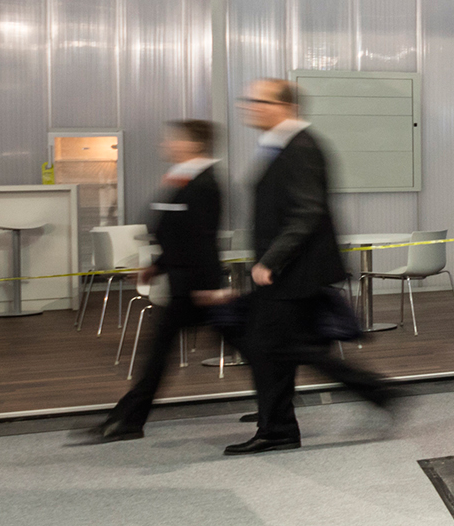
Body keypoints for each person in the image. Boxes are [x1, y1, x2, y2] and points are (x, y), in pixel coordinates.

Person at [230, 78, 392, 452]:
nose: (250, 107)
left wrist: (271, 260)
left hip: (293, 272)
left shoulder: (300, 147)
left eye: (259, 101)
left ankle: (283, 425)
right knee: (282, 348)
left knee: (276, 347)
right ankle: (281, 423)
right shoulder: (281, 146)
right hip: (291, 271)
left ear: (286, 107)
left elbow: (307, 211)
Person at [86, 119, 227, 442]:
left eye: (175, 139)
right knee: (159, 355)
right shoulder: (185, 177)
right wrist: (157, 266)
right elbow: (175, 231)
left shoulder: (205, 183)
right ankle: (128, 419)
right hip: (184, 283)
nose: (167, 144)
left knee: (248, 348)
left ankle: (279, 407)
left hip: (197, 287)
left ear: (195, 144)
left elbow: (202, 239)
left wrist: (210, 287)